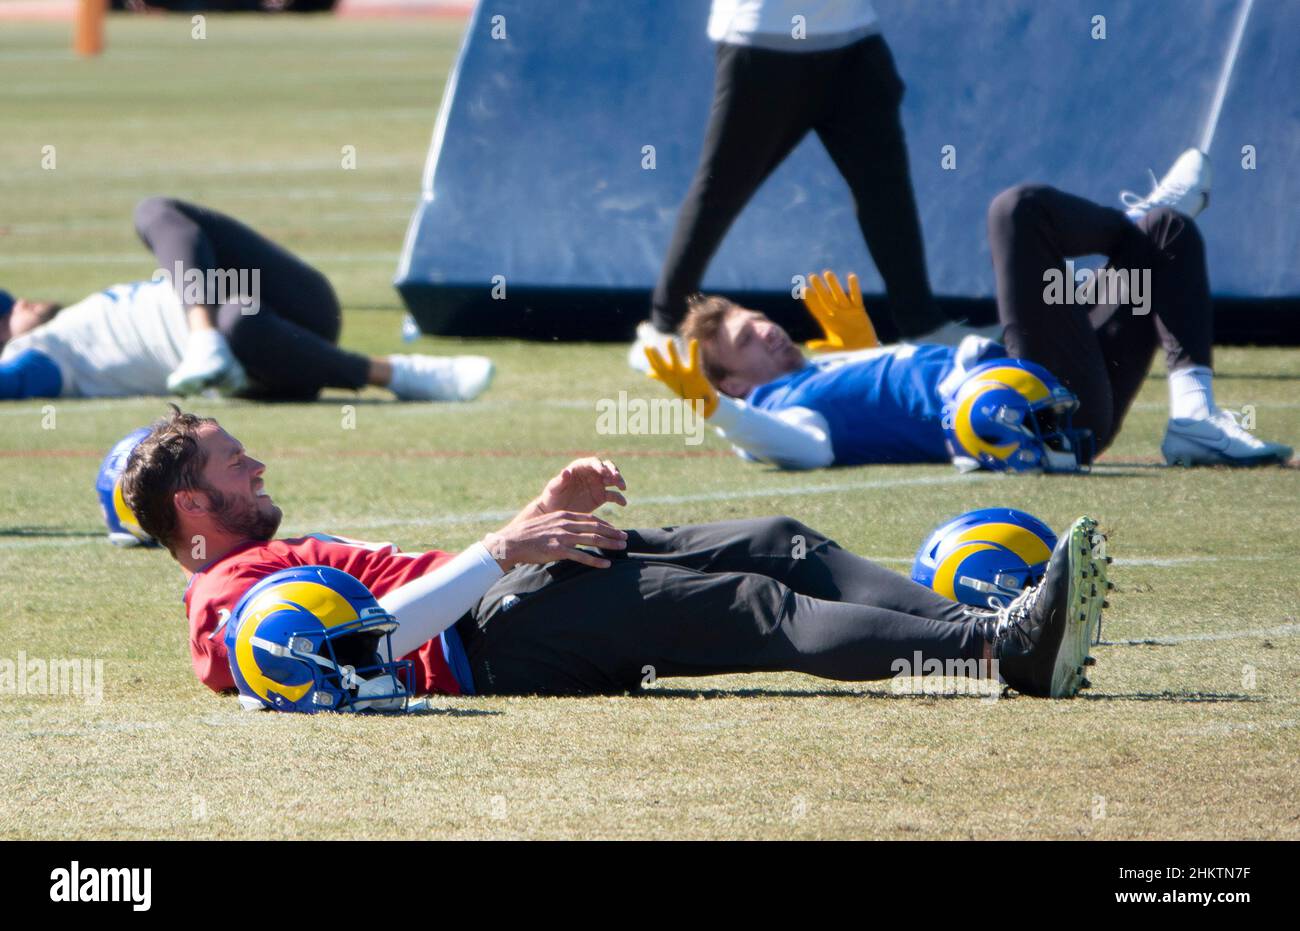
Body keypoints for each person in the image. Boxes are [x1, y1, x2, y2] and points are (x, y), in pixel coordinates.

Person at [119, 406, 1110, 701]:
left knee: (780, 541)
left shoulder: (273, 551)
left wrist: (536, 517)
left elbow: (406, 591)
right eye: (233, 463)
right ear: (194, 503)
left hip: (505, 596)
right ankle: (996, 656)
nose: (257, 465)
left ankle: (998, 628)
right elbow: (356, 654)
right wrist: (505, 548)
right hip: (494, 645)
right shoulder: (224, 602)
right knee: (750, 610)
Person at [643, 165, 1292, 470]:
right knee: (1016, 210)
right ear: (730, 383)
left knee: (1168, 234)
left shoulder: (819, 370)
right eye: (747, 339)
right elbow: (802, 448)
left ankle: (1194, 417)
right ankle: (1126, 222)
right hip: (1038, 408)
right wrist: (715, 412)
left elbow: (890, 391)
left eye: (759, 319)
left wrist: (865, 351)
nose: (767, 327)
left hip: (1062, 395)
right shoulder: (783, 410)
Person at [628, 0, 986, 371]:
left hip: (855, 39)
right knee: (720, 191)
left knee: (885, 189)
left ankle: (923, 326)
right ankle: (664, 331)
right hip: (763, 42)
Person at [0, 197, 493, 402]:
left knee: (155, 210)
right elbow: (12, 382)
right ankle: (398, 374)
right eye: (4, 313)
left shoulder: (78, 313)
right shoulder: (39, 354)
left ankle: (203, 335)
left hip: (290, 311)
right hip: (263, 360)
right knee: (239, 323)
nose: (19, 303)